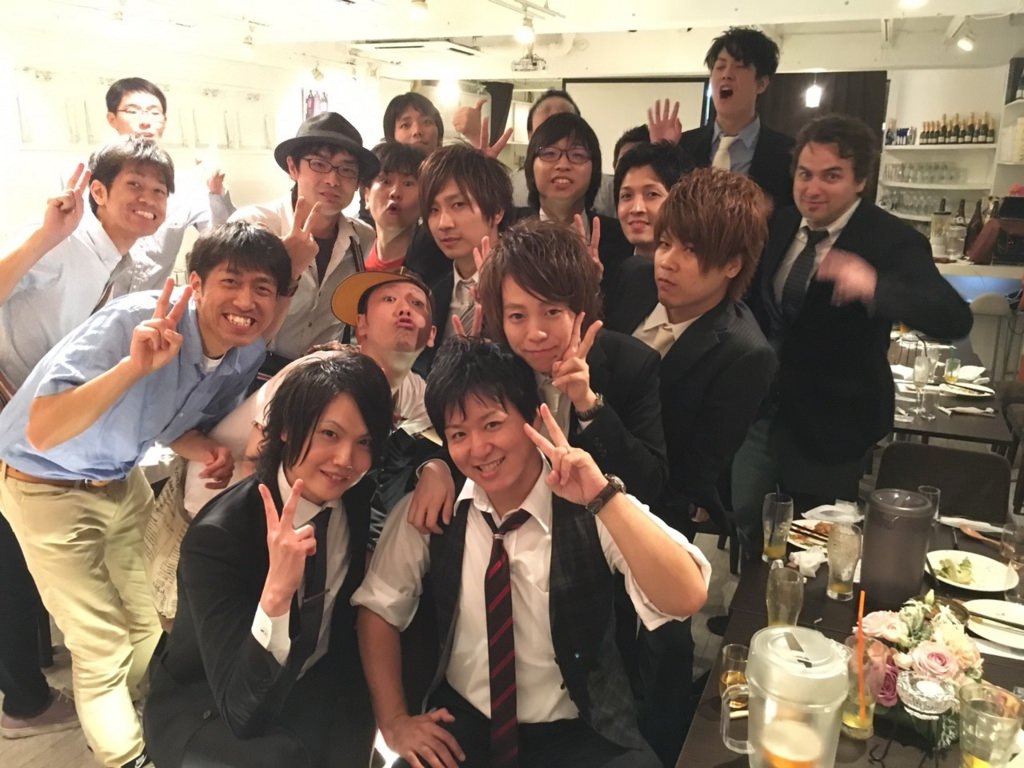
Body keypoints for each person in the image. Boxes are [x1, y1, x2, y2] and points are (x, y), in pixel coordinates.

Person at [0, 221, 292, 768]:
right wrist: (132, 368)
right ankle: (126, 756)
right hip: (44, 483)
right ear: (197, 284)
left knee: (149, 617)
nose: (245, 302)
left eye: (263, 288)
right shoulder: (135, 321)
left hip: (120, 478)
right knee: (101, 642)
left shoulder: (244, 355)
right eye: (231, 282)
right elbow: (41, 429)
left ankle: (123, 708)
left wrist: (206, 446)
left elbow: (172, 421)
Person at [354, 336, 710, 768]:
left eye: (492, 424)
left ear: (535, 420)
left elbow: (687, 597)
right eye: (459, 434)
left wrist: (604, 498)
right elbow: (378, 608)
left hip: (582, 729)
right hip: (463, 723)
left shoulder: (589, 499)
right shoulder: (434, 512)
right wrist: (394, 721)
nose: (478, 448)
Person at [733, 114, 974, 558]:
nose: (813, 188)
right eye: (805, 174)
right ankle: (753, 591)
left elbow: (953, 317)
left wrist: (875, 287)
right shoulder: (780, 225)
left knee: (813, 539)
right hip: (764, 409)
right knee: (750, 515)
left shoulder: (891, 239)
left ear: (860, 181)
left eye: (831, 176)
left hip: (833, 423)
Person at [603, 168, 777, 765]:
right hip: (572, 483)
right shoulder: (630, 281)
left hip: (654, 512)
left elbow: (693, 472)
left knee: (655, 655)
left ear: (731, 265)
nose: (667, 261)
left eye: (691, 250)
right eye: (666, 241)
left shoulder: (744, 352)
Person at [144, 353, 392, 768]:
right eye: (329, 434)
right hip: (211, 703)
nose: (345, 459)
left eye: (364, 442)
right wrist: (276, 595)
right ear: (287, 429)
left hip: (313, 682)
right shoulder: (219, 537)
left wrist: (432, 471)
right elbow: (241, 710)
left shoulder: (353, 494)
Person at [0, 138, 174, 389]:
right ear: (99, 192)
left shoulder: (121, 268)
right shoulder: (60, 239)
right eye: (134, 184)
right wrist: (44, 237)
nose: (148, 199)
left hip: (44, 403)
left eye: (159, 190)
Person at [230, 111, 378, 379]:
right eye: (319, 164)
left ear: (357, 182)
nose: (333, 180)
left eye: (347, 170)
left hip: (323, 379)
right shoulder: (255, 225)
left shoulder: (363, 239)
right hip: (254, 374)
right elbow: (233, 320)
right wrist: (287, 268)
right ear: (293, 167)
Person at [102, 76, 235, 291]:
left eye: (154, 113)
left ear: (164, 122)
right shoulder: (91, 180)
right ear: (112, 119)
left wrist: (216, 191)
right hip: (91, 306)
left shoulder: (185, 188)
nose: (145, 121)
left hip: (149, 307)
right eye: (133, 111)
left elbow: (223, 243)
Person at [650, 27, 794, 209]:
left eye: (739, 66)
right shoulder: (684, 146)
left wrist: (769, 207)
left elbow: (793, 213)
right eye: (720, 67)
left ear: (761, 84)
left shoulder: (786, 152)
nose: (726, 74)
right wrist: (660, 152)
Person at [412, 144, 513, 374]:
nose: (443, 223)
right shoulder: (430, 293)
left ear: (497, 210)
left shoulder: (526, 284)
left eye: (458, 205)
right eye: (433, 210)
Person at [524, 112, 632, 291]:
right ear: (530, 165)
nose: (563, 165)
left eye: (577, 155)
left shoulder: (622, 240)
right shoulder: (506, 232)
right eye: (549, 153)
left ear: (594, 169)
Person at [612, 141, 692, 260]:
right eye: (627, 196)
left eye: (652, 194)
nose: (637, 209)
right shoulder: (609, 264)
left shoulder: (700, 268)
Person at [362, 142, 427, 272]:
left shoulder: (439, 264)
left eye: (408, 183)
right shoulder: (352, 258)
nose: (395, 192)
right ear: (367, 196)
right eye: (386, 181)